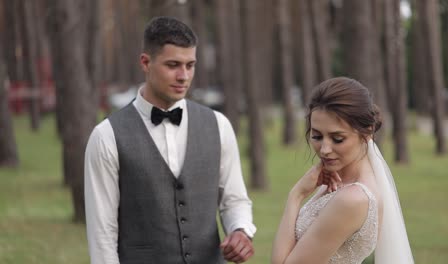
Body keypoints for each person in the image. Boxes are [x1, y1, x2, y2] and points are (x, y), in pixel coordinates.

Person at [84, 16, 255, 264]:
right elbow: (102, 235)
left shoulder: (219, 125)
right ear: (145, 62)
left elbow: (234, 199)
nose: (183, 76)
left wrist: (240, 230)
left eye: (190, 65)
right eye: (173, 65)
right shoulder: (106, 136)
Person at [271, 77, 414, 264]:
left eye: (337, 139)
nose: (324, 149)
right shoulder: (336, 180)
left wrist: (296, 195)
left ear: (367, 132)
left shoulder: (353, 199)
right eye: (317, 136)